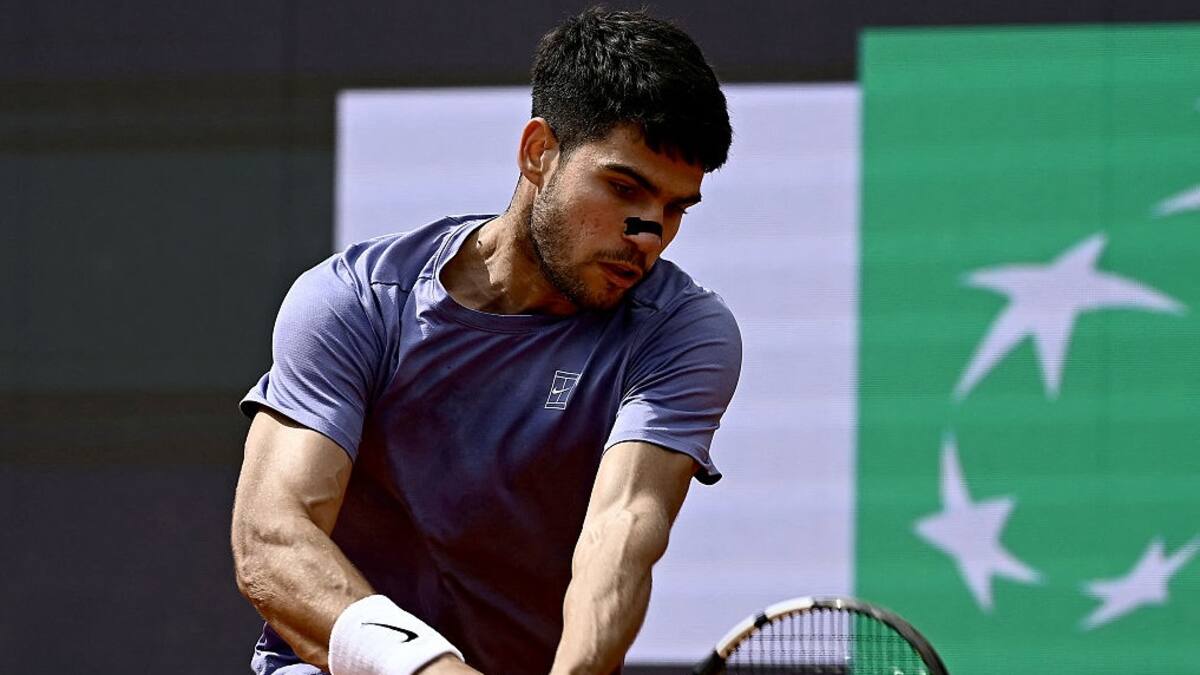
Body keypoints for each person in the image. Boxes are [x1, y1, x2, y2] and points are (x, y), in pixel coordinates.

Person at [230, 7, 740, 675]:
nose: (648, 230)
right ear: (538, 153)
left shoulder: (680, 330)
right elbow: (271, 538)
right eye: (624, 188)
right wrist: (429, 668)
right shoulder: (359, 301)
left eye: (675, 208)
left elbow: (622, 531)